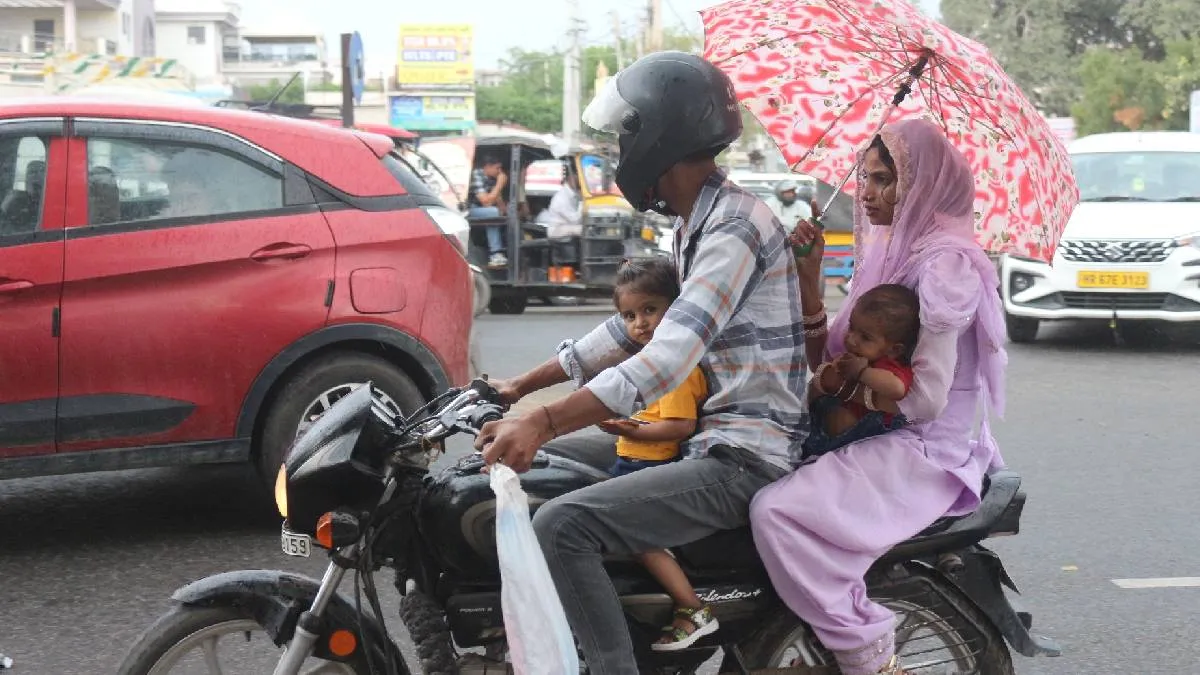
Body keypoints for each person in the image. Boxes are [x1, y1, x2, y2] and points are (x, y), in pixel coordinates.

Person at [473, 50, 808, 673]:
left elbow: (666, 356)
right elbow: (628, 334)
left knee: (562, 525)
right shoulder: (697, 224)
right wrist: (520, 387)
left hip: (744, 453)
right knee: (557, 470)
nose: (618, 152)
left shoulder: (734, 228)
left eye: (624, 137)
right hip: (710, 437)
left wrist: (543, 420)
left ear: (659, 136)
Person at [750, 118, 1009, 675]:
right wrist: (810, 275)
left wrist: (858, 391)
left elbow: (926, 401)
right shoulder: (890, 253)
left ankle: (863, 646)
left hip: (919, 447)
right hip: (870, 426)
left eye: (884, 180)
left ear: (923, 186)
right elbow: (829, 356)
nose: (866, 193)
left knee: (774, 511)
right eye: (865, 177)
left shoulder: (945, 267)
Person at [593, 257, 717, 651]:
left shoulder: (677, 367)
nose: (640, 323)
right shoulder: (650, 360)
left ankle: (692, 606)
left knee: (636, 539)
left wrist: (633, 430)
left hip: (652, 464)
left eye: (650, 310)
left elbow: (680, 425)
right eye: (630, 316)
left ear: (674, 308)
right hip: (631, 460)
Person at [802, 283, 919, 459]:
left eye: (865, 337)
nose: (851, 339)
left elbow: (897, 389)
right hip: (822, 428)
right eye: (851, 327)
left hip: (856, 440)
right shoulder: (858, 356)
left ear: (894, 350)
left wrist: (863, 372)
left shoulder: (889, 366)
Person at [469, 155, 509, 267]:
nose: (499, 171)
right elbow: (486, 202)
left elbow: (500, 207)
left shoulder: (492, 178)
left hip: (481, 209)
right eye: (497, 168)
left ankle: (502, 251)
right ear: (487, 167)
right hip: (467, 209)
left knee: (498, 214)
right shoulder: (476, 175)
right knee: (492, 213)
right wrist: (499, 184)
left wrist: (505, 210)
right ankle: (495, 253)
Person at [536, 163, 584, 238]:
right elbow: (575, 220)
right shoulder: (561, 198)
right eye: (578, 176)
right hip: (557, 230)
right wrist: (582, 201)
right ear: (571, 177)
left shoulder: (574, 194)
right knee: (584, 230)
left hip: (567, 225)